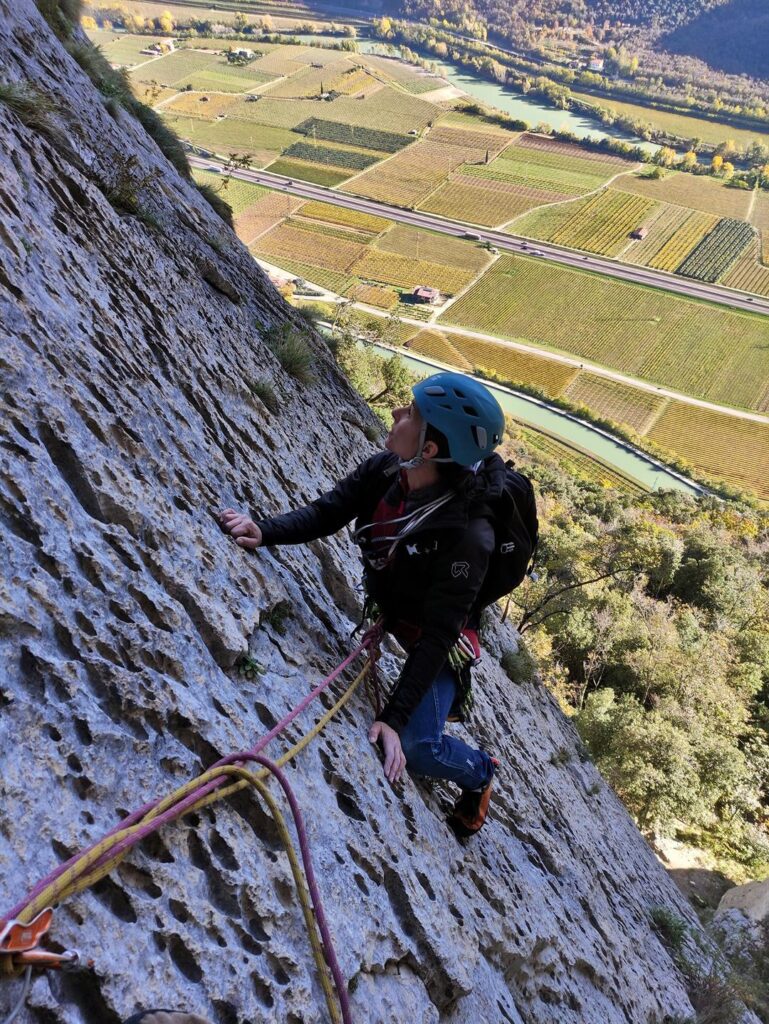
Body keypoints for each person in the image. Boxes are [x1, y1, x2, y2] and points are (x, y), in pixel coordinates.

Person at [219, 371, 507, 837]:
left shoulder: (469, 537)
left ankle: (481, 770)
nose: (397, 414)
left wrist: (392, 718)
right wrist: (266, 530)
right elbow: (330, 510)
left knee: (417, 748)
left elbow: (439, 636)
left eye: (411, 413)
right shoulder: (389, 472)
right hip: (401, 614)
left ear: (430, 449)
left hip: (441, 645)